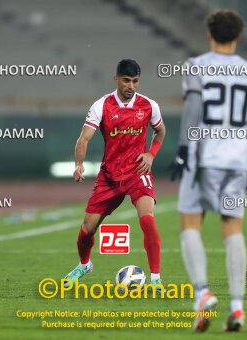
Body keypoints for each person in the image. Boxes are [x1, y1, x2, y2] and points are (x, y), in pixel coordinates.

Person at [170, 10, 247, 332]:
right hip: (237, 161)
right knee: (233, 229)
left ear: (209, 34)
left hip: (205, 157)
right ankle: (238, 307)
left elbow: (195, 107)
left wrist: (184, 148)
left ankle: (202, 293)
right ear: (239, 36)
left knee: (190, 223)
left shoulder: (197, 65)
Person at [63, 59, 167, 292]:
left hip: (137, 173)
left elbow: (160, 132)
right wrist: (79, 164)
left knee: (147, 218)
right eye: (127, 81)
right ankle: (84, 265)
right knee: (86, 230)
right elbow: (84, 138)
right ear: (116, 79)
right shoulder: (102, 106)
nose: (131, 86)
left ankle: (156, 278)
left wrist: (150, 154)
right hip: (109, 176)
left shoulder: (149, 106)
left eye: (135, 81)